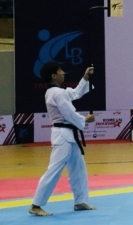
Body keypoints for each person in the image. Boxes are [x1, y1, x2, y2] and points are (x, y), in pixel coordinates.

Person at [29, 62, 96, 216]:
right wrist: (85, 119)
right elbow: (68, 113)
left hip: (69, 135)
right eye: (60, 71)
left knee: (78, 168)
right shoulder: (56, 93)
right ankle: (36, 204)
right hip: (62, 135)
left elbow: (75, 93)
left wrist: (85, 78)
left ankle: (80, 201)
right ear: (53, 76)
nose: (63, 73)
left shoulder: (57, 92)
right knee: (54, 170)